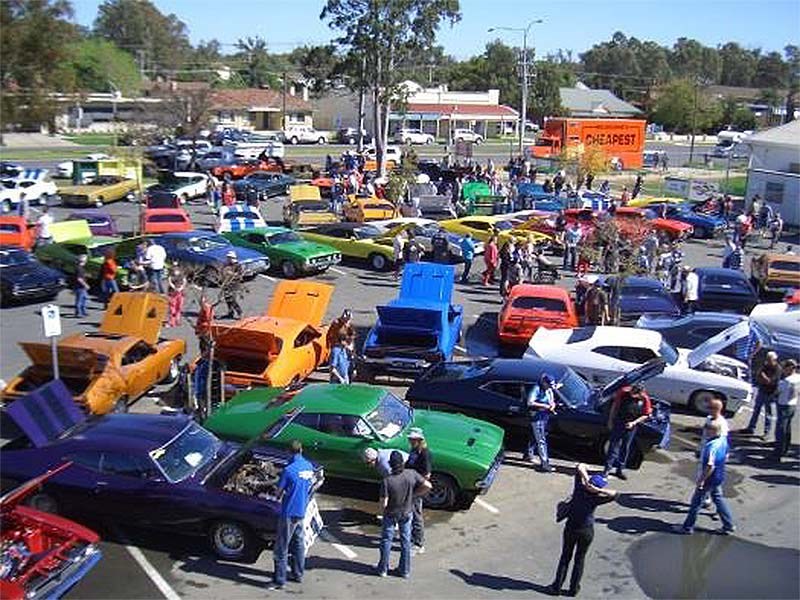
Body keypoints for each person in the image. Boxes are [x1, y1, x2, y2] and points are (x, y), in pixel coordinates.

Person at [548, 464, 618, 597]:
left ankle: (556, 587)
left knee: (565, 557)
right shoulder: (597, 498)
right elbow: (616, 495)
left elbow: (580, 467)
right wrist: (598, 490)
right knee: (579, 560)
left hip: (571, 528)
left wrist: (586, 481)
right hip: (586, 531)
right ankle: (573, 589)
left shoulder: (579, 489)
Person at [376, 451, 432, 578]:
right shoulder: (411, 474)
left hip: (391, 514)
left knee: (386, 541)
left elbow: (383, 503)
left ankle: (383, 569)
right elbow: (428, 485)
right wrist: (415, 495)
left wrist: (382, 512)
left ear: (390, 464)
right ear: (403, 463)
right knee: (405, 541)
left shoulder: (387, 481)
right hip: (407, 512)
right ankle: (404, 571)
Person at [269, 440, 315, 590]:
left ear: (288, 452)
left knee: (281, 548)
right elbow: (309, 486)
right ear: (301, 450)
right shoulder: (309, 466)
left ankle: (279, 581)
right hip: (302, 510)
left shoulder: (288, 470)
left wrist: (271, 486)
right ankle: (298, 574)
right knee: (299, 544)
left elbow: (277, 493)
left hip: (288, 512)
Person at [676, 421, 735, 535]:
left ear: (712, 431)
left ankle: (687, 527)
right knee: (718, 498)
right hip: (719, 475)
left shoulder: (710, 446)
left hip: (709, 478)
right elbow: (726, 455)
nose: (705, 432)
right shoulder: (723, 440)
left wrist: (702, 480)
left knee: (696, 503)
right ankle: (728, 525)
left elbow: (709, 466)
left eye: (707, 430)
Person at [603, 383, 652, 480]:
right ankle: (607, 470)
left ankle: (620, 469)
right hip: (619, 423)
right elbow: (615, 407)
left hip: (631, 426)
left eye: (635, 394)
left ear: (640, 393)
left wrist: (634, 423)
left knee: (625, 448)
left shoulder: (644, 398)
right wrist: (610, 421)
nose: (632, 395)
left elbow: (646, 415)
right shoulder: (623, 392)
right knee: (613, 447)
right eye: (632, 392)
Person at [405, 428, 432, 554]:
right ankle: (411, 537)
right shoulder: (414, 450)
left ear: (419, 440)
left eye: (412, 439)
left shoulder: (425, 454)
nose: (409, 441)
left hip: (417, 489)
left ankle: (418, 543)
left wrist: (418, 490)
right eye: (410, 439)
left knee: (416, 515)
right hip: (410, 486)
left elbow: (427, 475)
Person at [743, 350, 780, 438]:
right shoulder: (765, 366)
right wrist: (762, 377)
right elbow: (758, 376)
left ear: (774, 360)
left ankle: (767, 432)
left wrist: (763, 376)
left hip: (770, 393)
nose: (767, 361)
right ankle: (751, 428)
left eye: (769, 359)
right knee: (756, 410)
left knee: (768, 414)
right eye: (767, 359)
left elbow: (771, 382)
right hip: (762, 391)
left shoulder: (777, 369)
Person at [526, 373, 557, 472]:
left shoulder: (548, 388)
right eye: (548, 385)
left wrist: (552, 404)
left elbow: (551, 394)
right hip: (537, 417)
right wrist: (545, 406)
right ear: (544, 382)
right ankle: (545, 463)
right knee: (541, 440)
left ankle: (528, 454)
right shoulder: (536, 389)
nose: (550, 387)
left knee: (535, 436)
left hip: (545, 416)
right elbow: (530, 402)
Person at [773, 359, 799, 461]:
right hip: (793, 404)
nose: (783, 370)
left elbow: (777, 392)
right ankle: (786, 448)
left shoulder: (786, 381)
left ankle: (778, 452)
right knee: (787, 428)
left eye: (785, 368)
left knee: (780, 429)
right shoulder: (798, 378)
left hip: (784, 404)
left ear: (789, 368)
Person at [221, 251, 244, 319]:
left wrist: (232, 274)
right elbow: (223, 272)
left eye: (229, 258)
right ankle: (230, 313)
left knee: (232, 299)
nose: (228, 259)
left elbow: (240, 275)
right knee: (227, 299)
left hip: (234, 285)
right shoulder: (226, 265)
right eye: (228, 257)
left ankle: (239, 312)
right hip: (226, 283)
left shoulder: (237, 265)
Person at [166, 262, 186, 328]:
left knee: (179, 307)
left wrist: (181, 288)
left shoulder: (181, 273)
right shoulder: (171, 273)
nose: (175, 270)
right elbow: (169, 281)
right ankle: (171, 321)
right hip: (172, 292)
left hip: (180, 292)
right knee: (172, 307)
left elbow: (184, 281)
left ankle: (177, 320)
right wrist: (174, 287)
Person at [73, 254, 90, 318]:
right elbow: (79, 279)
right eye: (85, 260)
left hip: (81, 287)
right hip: (80, 287)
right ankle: (78, 313)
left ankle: (83, 312)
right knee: (79, 300)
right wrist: (86, 285)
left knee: (84, 299)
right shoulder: (79, 269)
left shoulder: (80, 268)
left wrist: (86, 275)